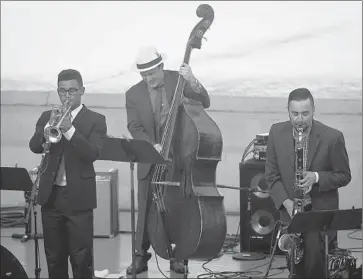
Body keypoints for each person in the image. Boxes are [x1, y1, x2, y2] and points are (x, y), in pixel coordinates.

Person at [125, 46, 210, 274]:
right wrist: (150, 145)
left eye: (152, 73)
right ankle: (140, 257)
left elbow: (205, 101)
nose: (148, 79)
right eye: (143, 75)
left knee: (178, 206)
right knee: (144, 210)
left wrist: (192, 79)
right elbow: (134, 126)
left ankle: (179, 256)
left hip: (179, 158)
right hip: (150, 158)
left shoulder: (178, 80)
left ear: (161, 66)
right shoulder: (132, 94)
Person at [265, 88, 351, 278]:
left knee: (314, 266)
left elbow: (344, 175)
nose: (299, 119)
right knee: (295, 266)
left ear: (313, 110)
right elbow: (271, 175)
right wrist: (287, 204)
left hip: (318, 214)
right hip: (290, 212)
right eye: (294, 114)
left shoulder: (332, 137)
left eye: (305, 113)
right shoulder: (276, 132)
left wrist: (317, 177)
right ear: (287, 111)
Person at [29, 69, 107, 278]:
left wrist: (70, 130)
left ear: (82, 90)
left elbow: (92, 153)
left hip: (78, 197)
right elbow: (34, 146)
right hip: (50, 196)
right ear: (58, 92)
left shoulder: (96, 120)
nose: (67, 96)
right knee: (54, 257)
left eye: (72, 91)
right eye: (63, 91)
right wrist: (48, 126)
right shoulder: (47, 116)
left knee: (81, 258)